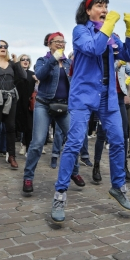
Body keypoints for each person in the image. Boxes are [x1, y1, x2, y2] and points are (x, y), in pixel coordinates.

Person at [51, 0, 130, 223]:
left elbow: (129, 55)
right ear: (88, 10)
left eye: (106, 5)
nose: (105, 8)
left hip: (107, 96)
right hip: (83, 95)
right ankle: (60, 194)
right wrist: (108, 25)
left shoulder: (111, 35)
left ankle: (118, 187)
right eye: (100, 5)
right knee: (75, 142)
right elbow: (94, 49)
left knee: (118, 140)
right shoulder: (80, 31)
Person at [22, 32, 82, 194]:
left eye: (63, 42)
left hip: (64, 106)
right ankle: (28, 177)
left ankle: (74, 172)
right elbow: (39, 75)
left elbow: (77, 81)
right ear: (49, 44)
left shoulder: (69, 63)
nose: (61, 44)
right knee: (37, 143)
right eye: (57, 42)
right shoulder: (43, 61)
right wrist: (53, 59)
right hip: (44, 105)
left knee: (74, 139)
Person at [0, 40, 26, 171]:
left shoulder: (11, 64)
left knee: (11, 127)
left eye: (5, 46)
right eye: (0, 46)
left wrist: (17, 63)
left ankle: (11, 156)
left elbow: (23, 76)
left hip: (10, 98)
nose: (3, 48)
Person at [15, 54, 36, 156]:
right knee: (14, 126)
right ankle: (8, 151)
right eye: (23, 59)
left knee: (29, 127)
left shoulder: (32, 74)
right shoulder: (15, 74)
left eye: (27, 59)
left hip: (28, 103)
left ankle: (27, 147)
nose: (25, 61)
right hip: (17, 103)